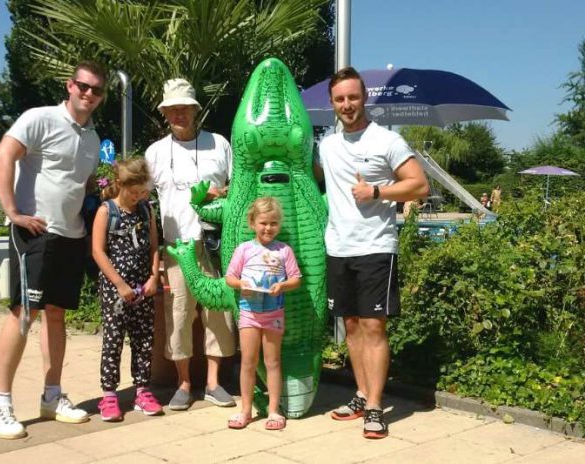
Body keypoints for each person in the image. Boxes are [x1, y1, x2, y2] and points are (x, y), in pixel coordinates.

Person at [0, 61, 106, 439]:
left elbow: (80, 183)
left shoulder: (92, 137)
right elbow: (2, 156)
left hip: (71, 236)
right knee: (24, 313)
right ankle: (0, 403)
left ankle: (52, 396)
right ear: (70, 85)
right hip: (36, 232)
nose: (88, 94)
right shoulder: (39, 118)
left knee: (56, 315)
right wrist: (12, 213)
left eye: (96, 90)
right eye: (83, 86)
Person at [317, 67, 429, 439]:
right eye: (339, 99)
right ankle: (362, 394)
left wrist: (378, 192)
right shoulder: (328, 145)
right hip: (338, 246)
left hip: (376, 247)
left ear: (364, 98)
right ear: (332, 104)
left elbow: (419, 185)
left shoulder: (386, 141)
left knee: (373, 326)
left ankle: (377, 407)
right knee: (350, 325)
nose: (347, 105)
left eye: (352, 97)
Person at [145, 78, 237, 411]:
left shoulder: (219, 144)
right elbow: (145, 202)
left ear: (195, 110)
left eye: (184, 108)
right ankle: (183, 382)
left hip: (214, 242)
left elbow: (238, 190)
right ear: (165, 114)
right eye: (172, 109)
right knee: (179, 314)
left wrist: (220, 194)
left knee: (218, 312)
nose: (179, 114)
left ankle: (214, 383)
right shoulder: (154, 152)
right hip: (175, 246)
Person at [92, 157, 162, 421]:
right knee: (113, 340)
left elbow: (155, 245)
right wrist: (119, 285)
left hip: (144, 287)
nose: (139, 197)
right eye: (134, 192)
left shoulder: (146, 210)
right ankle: (109, 395)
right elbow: (98, 251)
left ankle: (142, 391)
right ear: (120, 185)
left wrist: (154, 277)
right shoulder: (106, 211)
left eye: (143, 192)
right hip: (115, 291)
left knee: (144, 340)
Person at [224, 197, 302, 430]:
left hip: (274, 313)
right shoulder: (244, 249)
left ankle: (274, 410)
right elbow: (230, 277)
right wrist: (241, 285)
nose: (268, 228)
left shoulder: (284, 251)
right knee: (248, 361)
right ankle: (245, 410)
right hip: (249, 313)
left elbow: (296, 279)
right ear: (252, 223)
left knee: (273, 361)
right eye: (263, 223)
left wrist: (283, 286)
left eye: (274, 223)